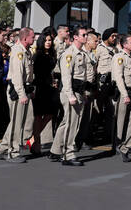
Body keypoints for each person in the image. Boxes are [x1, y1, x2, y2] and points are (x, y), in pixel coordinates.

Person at [51, 26, 90, 166]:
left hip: (78, 91)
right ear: (76, 37)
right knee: (72, 124)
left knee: (68, 122)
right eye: (84, 35)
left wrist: (83, 93)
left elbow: (83, 77)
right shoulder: (70, 54)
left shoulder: (82, 53)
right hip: (70, 92)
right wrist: (70, 95)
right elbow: (66, 77)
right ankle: (68, 154)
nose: (86, 37)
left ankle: (55, 150)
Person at [0, 27, 35, 163]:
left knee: (19, 121)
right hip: (17, 90)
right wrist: (22, 94)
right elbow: (17, 76)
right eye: (32, 37)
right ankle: (12, 152)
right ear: (25, 38)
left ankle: (2, 148)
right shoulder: (18, 52)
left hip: (25, 89)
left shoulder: (26, 52)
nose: (34, 39)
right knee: (16, 122)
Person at [29, 31, 59, 156]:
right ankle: (36, 144)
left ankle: (33, 138)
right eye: (46, 40)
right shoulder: (37, 55)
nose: (48, 42)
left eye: (50, 40)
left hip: (49, 86)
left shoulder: (52, 54)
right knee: (38, 115)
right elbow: (33, 72)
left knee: (49, 115)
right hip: (39, 86)